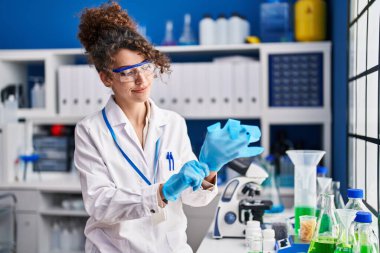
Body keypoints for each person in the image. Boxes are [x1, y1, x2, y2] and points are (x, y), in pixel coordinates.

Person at [74, 2, 263, 253]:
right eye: (128, 72)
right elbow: (100, 204)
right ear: (106, 77)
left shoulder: (173, 123)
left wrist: (210, 168)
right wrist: (162, 192)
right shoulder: (90, 131)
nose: (142, 80)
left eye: (146, 67)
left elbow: (194, 199)